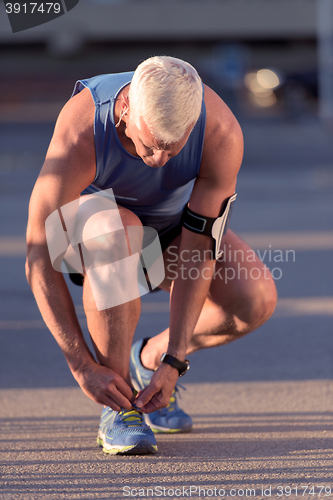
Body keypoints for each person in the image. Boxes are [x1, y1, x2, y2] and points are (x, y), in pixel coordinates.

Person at [26, 56, 277, 455]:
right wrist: (82, 365)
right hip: (97, 235)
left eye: (172, 149)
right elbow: (39, 257)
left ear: (193, 124)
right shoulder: (82, 129)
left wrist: (173, 360)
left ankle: (146, 360)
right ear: (125, 110)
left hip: (171, 232)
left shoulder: (221, 132)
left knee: (255, 299)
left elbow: (198, 251)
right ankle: (121, 405)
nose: (159, 160)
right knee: (117, 231)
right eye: (148, 144)